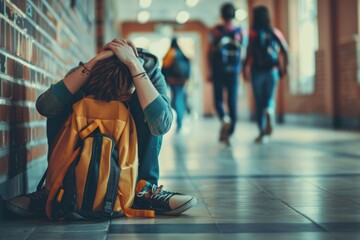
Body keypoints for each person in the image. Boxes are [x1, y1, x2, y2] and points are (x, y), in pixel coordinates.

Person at [5, 39, 197, 217]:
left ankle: (144, 190)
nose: (121, 101)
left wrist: (134, 66)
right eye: (116, 96)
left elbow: (162, 125)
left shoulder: (151, 71)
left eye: (125, 96)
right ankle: (54, 189)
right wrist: (94, 61)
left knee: (150, 103)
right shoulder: (88, 72)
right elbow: (45, 106)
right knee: (63, 98)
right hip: (78, 164)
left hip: (129, 167)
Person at [243, 5, 289, 144]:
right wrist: (284, 68)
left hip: (257, 71)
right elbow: (285, 51)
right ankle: (269, 110)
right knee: (269, 98)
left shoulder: (252, 34)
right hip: (272, 71)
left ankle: (262, 133)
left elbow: (248, 53)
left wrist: (245, 70)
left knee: (258, 102)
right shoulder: (275, 32)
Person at [208, 2, 243, 145]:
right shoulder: (240, 31)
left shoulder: (215, 31)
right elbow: (244, 52)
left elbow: (209, 52)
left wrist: (210, 69)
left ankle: (224, 118)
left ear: (222, 15)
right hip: (234, 71)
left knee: (218, 100)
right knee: (232, 101)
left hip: (218, 70)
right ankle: (230, 133)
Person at [161, 37, 191, 133]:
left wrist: (164, 80)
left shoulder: (170, 53)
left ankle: (180, 122)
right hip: (181, 81)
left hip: (172, 81)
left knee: (176, 100)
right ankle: (180, 121)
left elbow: (164, 68)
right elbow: (188, 65)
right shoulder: (181, 53)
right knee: (179, 99)